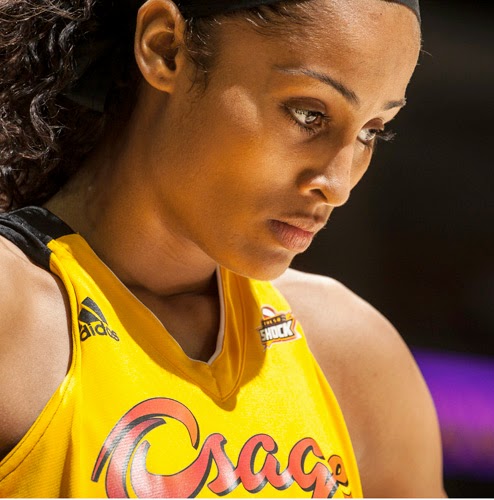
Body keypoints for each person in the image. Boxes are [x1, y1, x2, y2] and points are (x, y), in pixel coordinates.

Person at [0, 0, 445, 497]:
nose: (337, 185)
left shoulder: (353, 354)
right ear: (165, 48)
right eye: (309, 114)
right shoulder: (14, 317)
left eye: (370, 132)